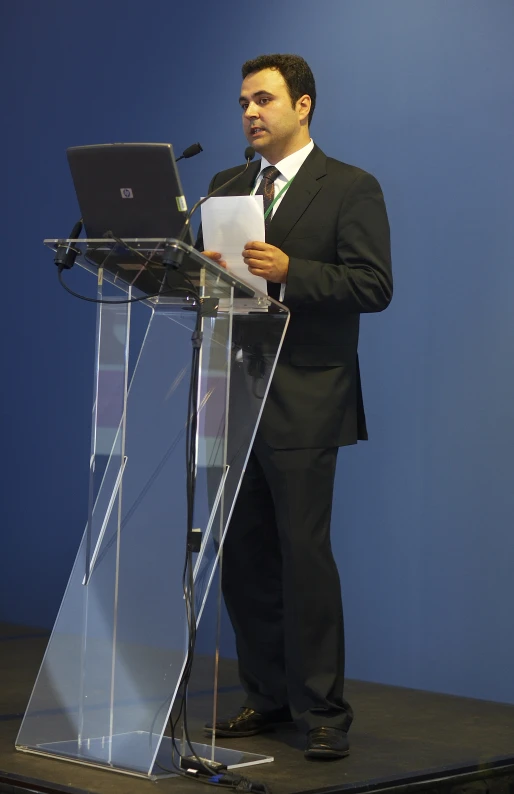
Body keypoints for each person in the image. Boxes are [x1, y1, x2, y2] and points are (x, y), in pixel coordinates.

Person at [197, 53, 392, 760]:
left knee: (303, 557)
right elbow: (199, 278)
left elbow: (373, 284)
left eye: (264, 100)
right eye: (243, 101)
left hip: (307, 398)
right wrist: (200, 274)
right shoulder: (224, 187)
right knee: (243, 557)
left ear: (302, 106)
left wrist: (292, 273)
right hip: (233, 394)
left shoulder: (349, 187)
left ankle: (324, 715)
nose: (249, 112)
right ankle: (268, 694)